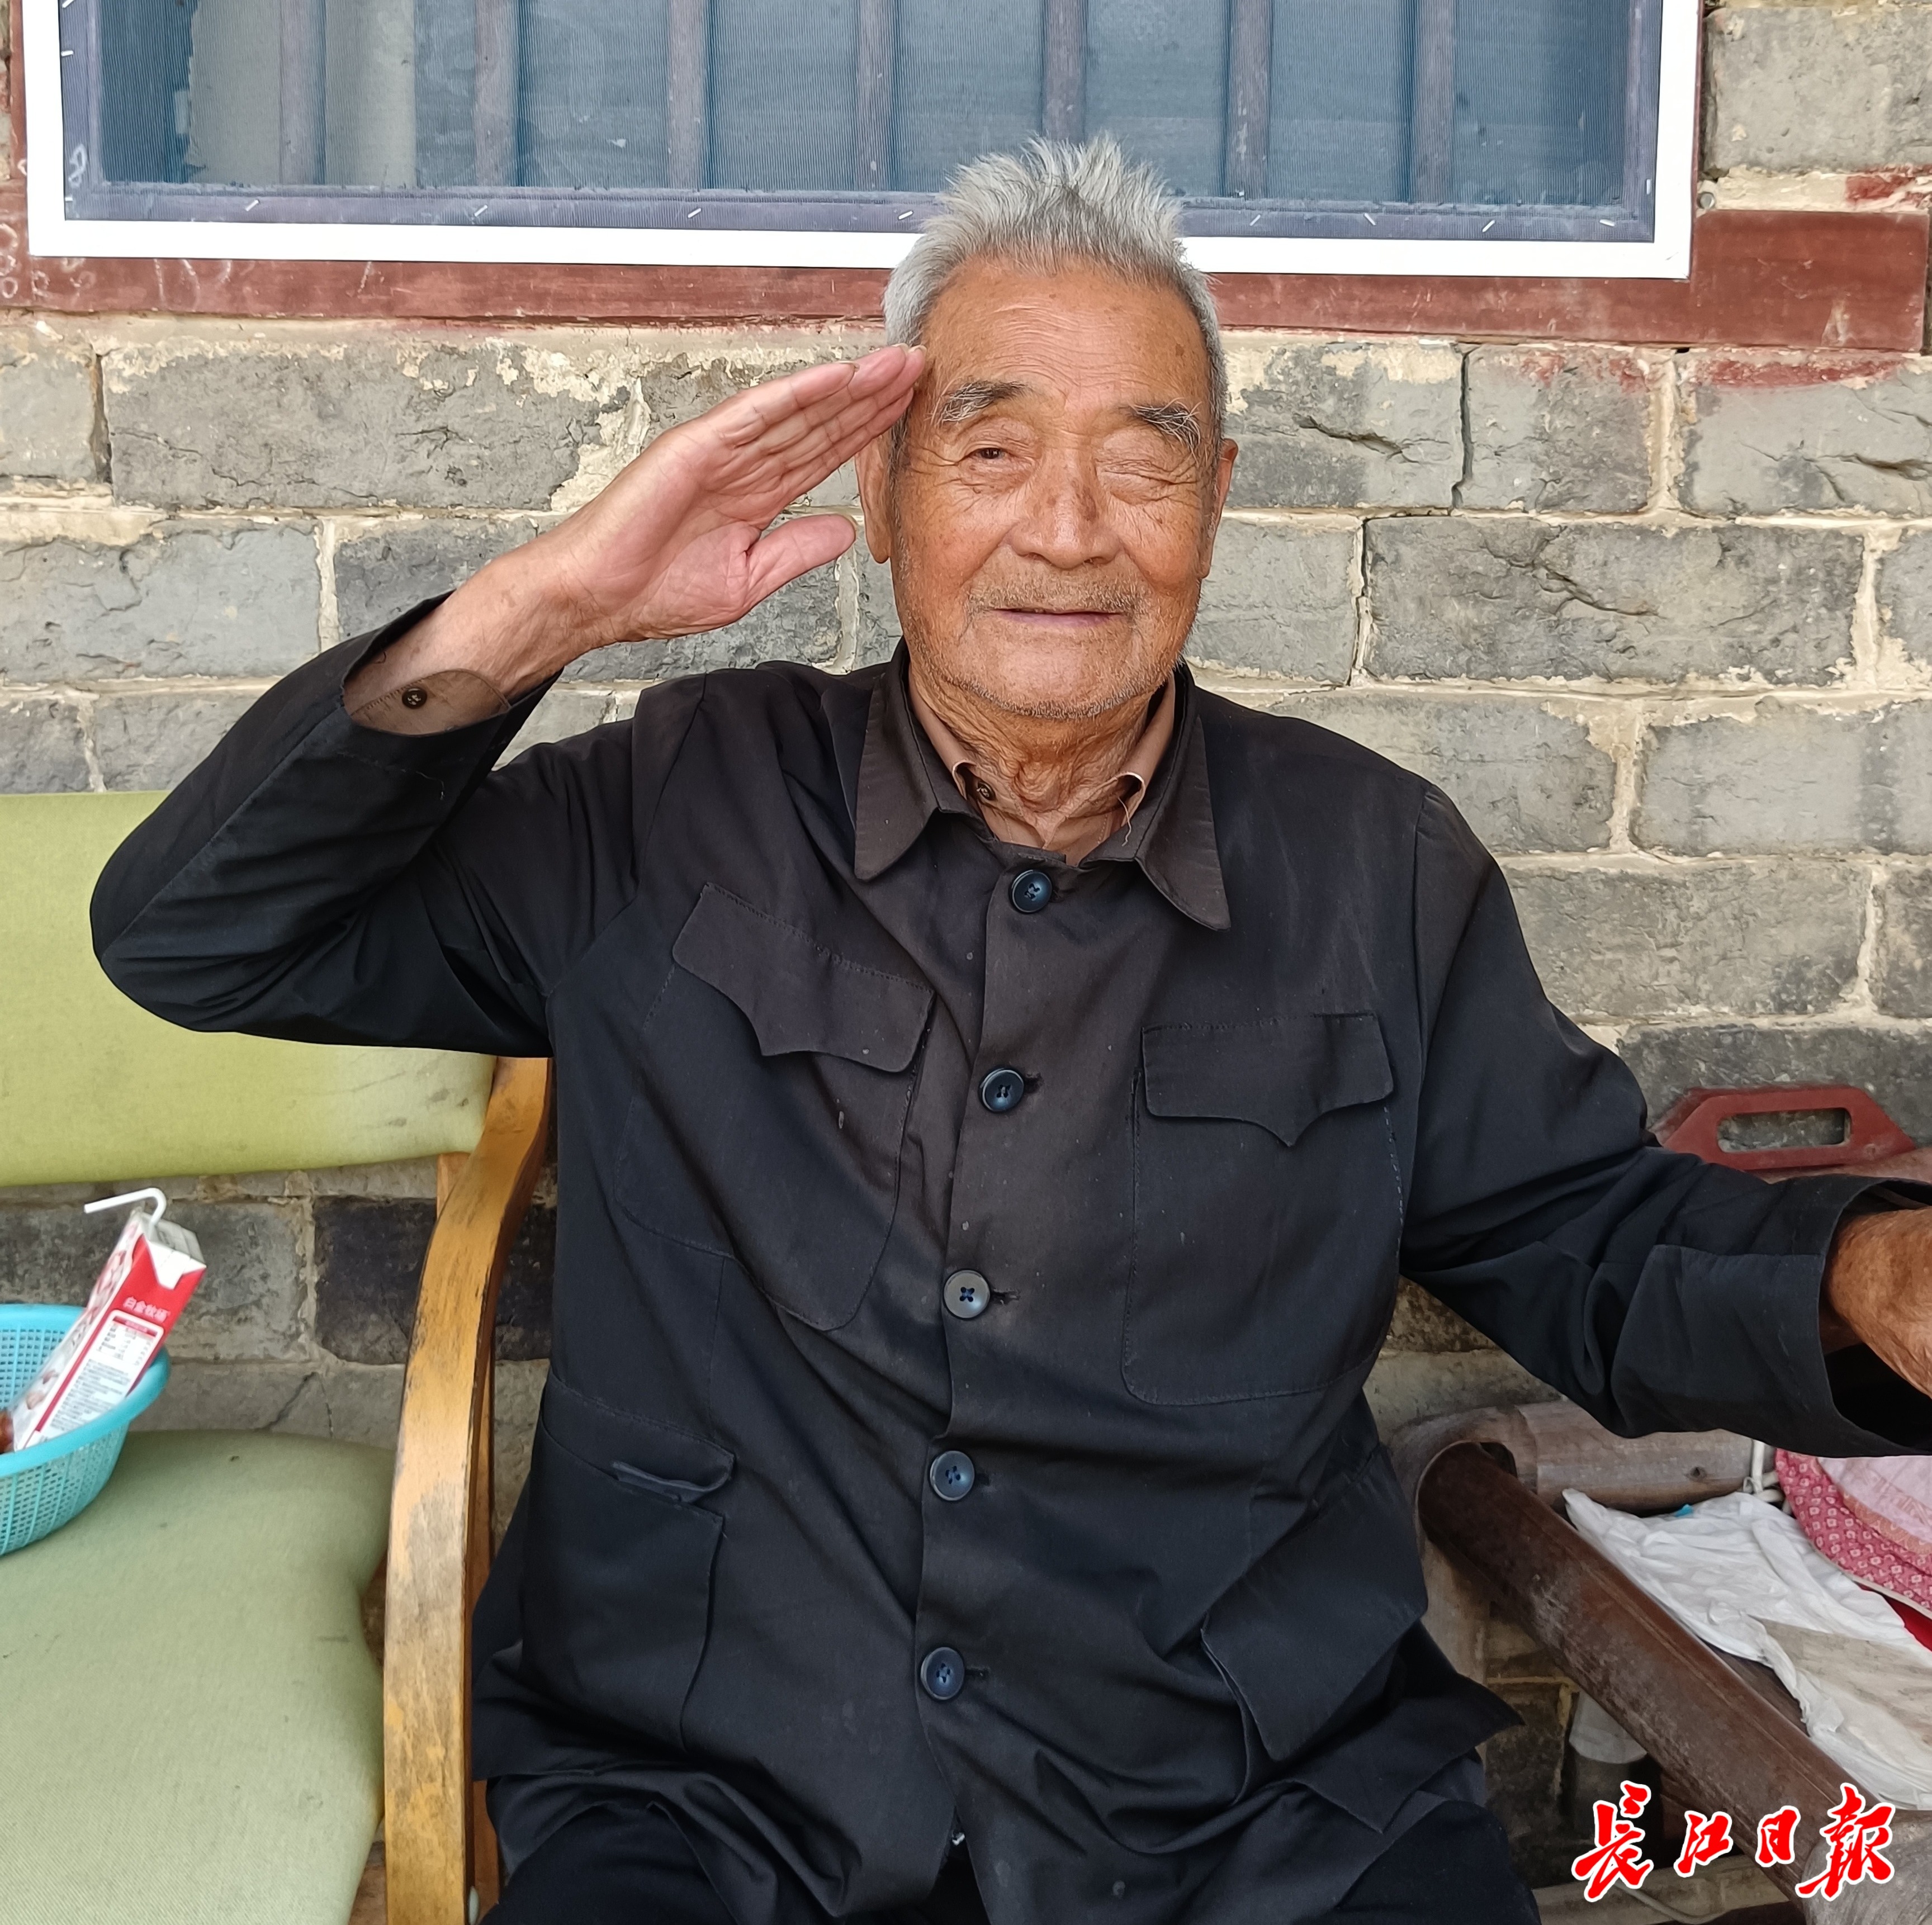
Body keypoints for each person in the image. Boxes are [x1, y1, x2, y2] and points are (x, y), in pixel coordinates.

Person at [93, 139, 1932, 1925]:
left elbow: (1587, 1237)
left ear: (1219, 494)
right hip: (719, 1793)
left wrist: (1869, 1279)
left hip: (1256, 1806)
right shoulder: (669, 805)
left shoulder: (1375, 866)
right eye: (992, 451)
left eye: (1143, 460)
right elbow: (199, 934)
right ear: (885, 489)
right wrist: (549, 602)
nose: (1067, 528)